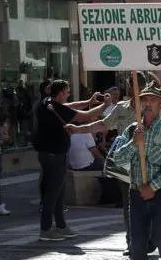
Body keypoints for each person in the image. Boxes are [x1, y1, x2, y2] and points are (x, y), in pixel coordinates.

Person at [65, 72, 153, 254]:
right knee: (129, 205)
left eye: (138, 86)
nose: (133, 89)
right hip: (125, 162)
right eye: (131, 85)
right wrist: (78, 130)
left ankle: (148, 239)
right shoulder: (121, 108)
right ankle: (132, 243)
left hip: (148, 163)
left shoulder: (151, 108)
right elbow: (102, 125)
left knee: (147, 204)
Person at [112, 81, 161, 260]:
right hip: (136, 195)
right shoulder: (131, 131)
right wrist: (134, 143)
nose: (148, 103)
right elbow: (118, 159)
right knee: (137, 243)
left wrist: (152, 186)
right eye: (145, 99)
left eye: (153, 99)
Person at [35, 80, 110, 241]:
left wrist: (89, 102)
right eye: (67, 92)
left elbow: (72, 106)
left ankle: (61, 226)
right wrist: (105, 105)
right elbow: (89, 116)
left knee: (59, 192)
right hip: (55, 155)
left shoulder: (47, 103)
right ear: (61, 93)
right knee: (53, 193)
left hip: (49, 155)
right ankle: (46, 229)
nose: (69, 95)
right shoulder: (56, 109)